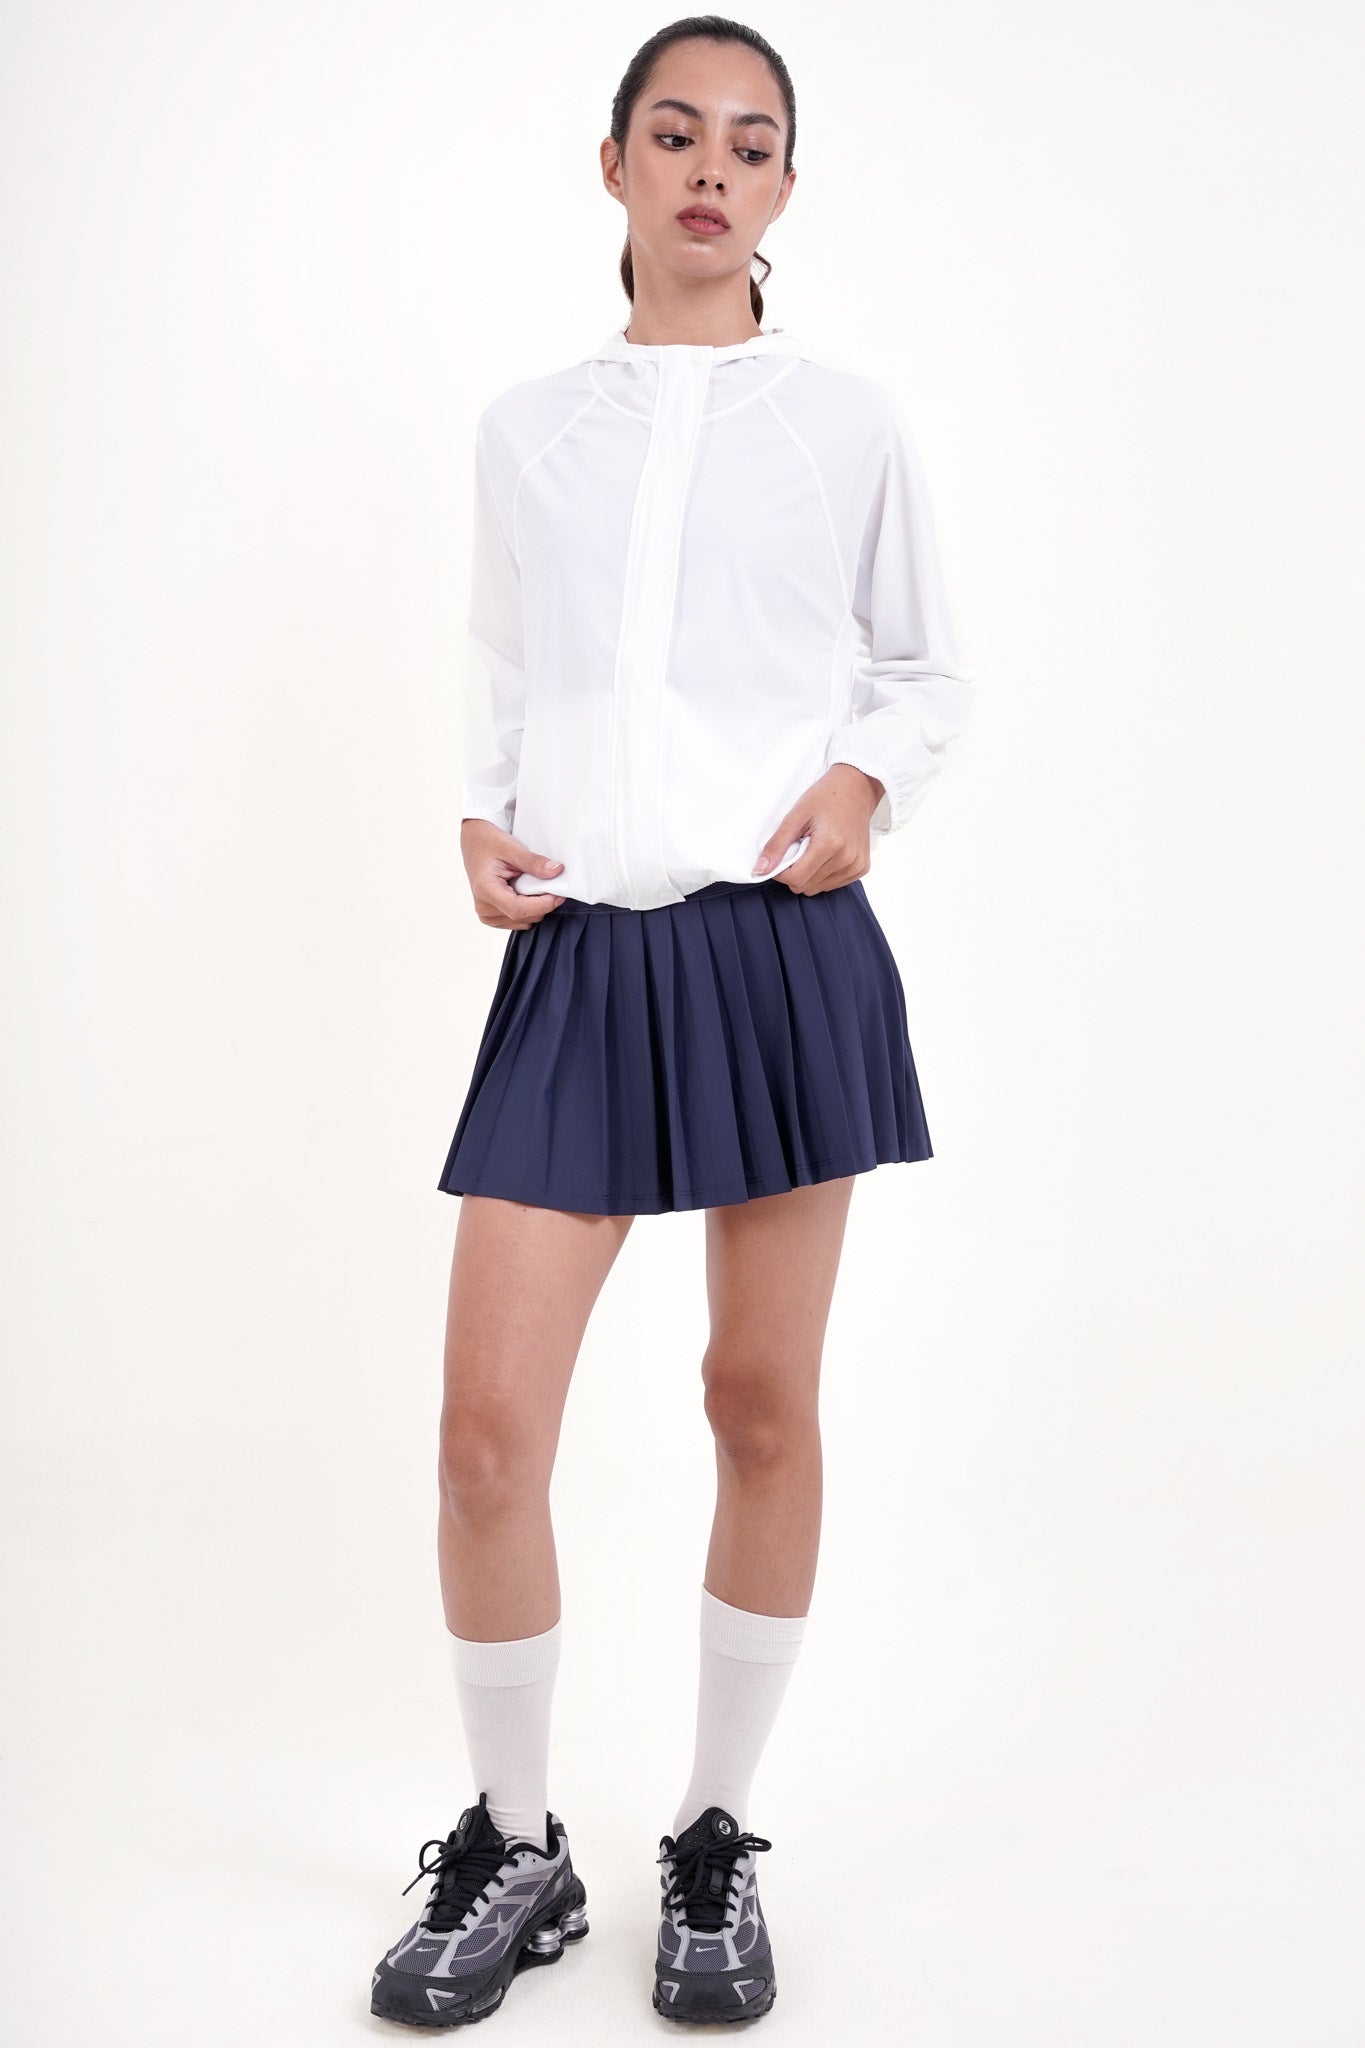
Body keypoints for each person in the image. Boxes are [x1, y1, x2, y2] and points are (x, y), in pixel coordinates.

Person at [370, 14, 975, 2030]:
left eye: (752, 142)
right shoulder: (527, 431)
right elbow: (503, 660)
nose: (713, 167)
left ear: (783, 187)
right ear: (615, 162)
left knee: (757, 1403)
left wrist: (867, 782)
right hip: (582, 959)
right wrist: (479, 809)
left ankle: (713, 1835)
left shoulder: (843, 422)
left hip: (776, 950)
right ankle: (515, 1841)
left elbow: (922, 668)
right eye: (677, 131)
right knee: (482, 1440)